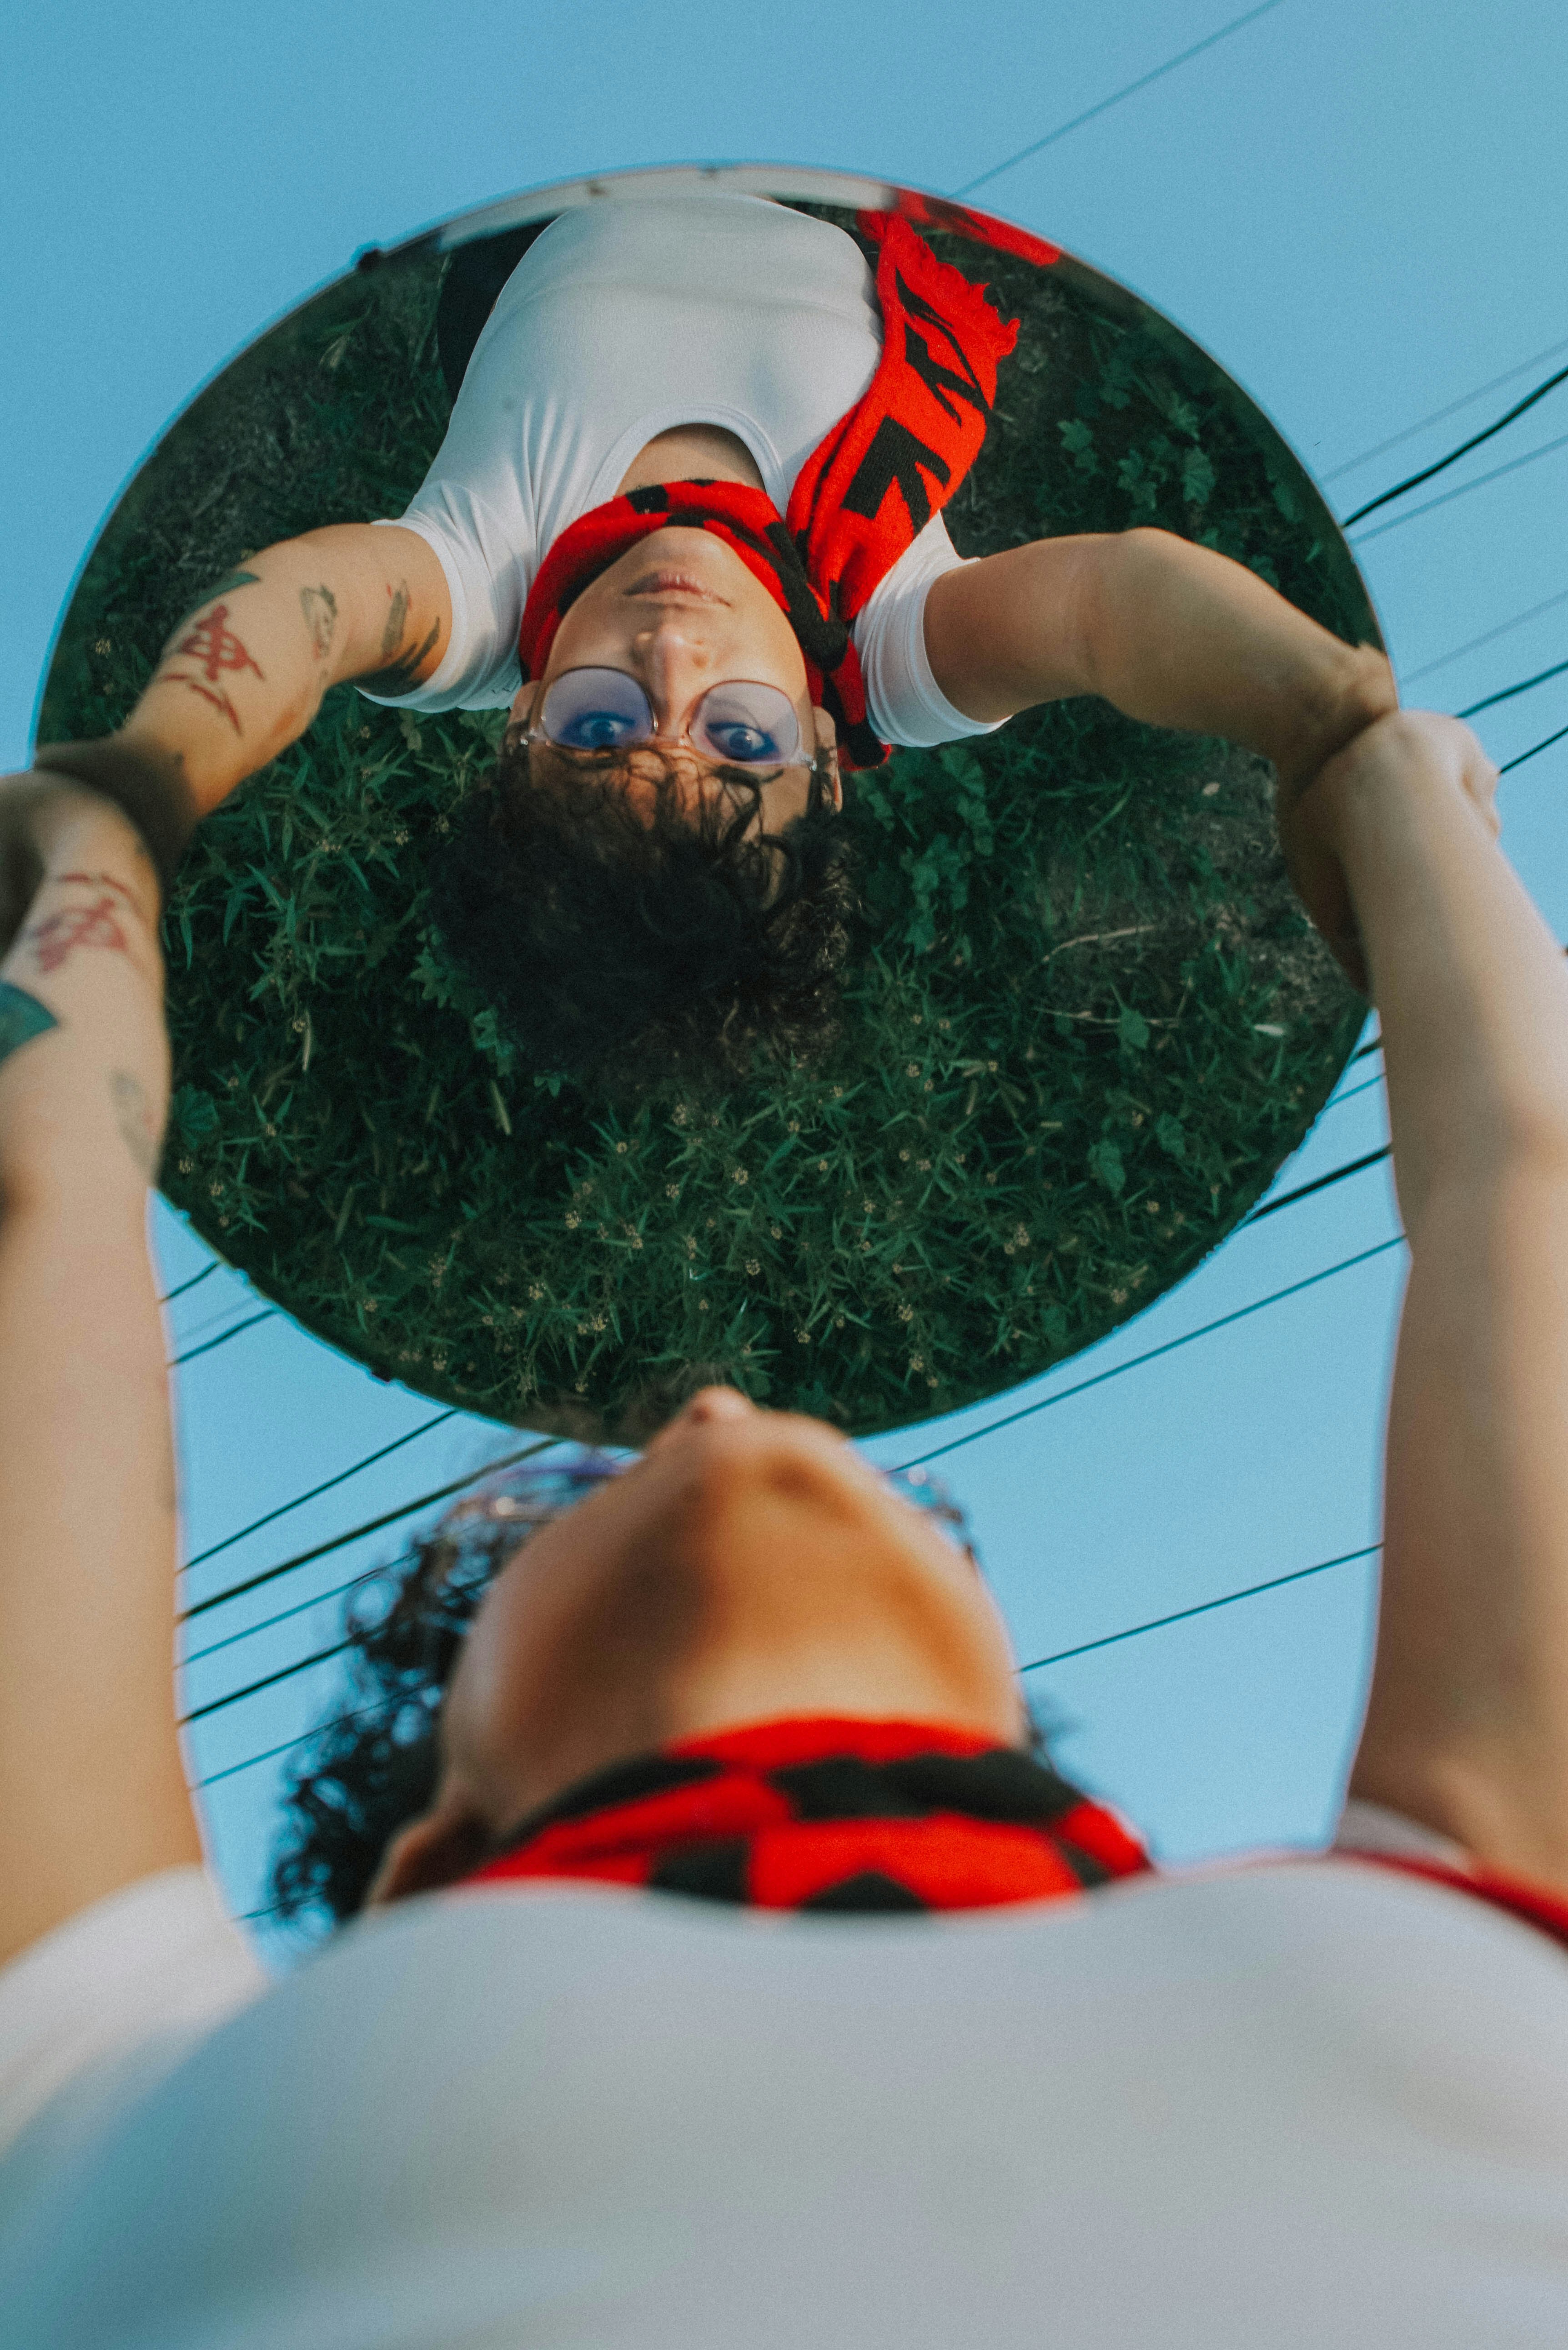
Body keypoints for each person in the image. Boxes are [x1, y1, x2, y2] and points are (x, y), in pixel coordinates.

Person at [5, 703, 1568, 2343]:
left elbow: (44, 1218)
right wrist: (1391, 801)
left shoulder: (95, 2076)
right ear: (428, 1861)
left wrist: (87, 873)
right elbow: (1522, 1188)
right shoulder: (1460, 1916)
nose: (720, 1409)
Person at [40, 191, 1394, 1090]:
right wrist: (1317, 717)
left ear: (518, 726)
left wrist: (152, 774)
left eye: (597, 732)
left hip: (550, 203)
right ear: (826, 745)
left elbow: (301, 612)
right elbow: (1114, 609)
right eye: (742, 742)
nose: (671, 667)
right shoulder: (895, 648)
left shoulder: (484, 589)